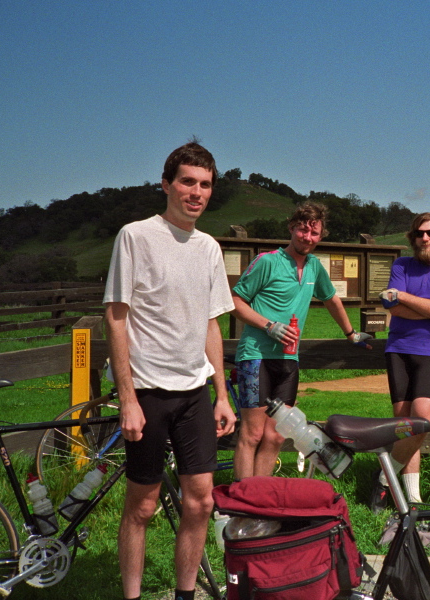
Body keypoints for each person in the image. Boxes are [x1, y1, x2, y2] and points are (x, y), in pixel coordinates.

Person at [104, 142, 236, 600]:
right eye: (187, 181)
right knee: (141, 506)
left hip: (194, 392)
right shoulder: (136, 237)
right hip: (147, 393)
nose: (196, 192)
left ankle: (185, 594)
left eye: (204, 184)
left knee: (201, 502)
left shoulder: (209, 248)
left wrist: (222, 394)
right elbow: (116, 316)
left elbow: (210, 322)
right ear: (166, 185)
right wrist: (127, 399)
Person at [230, 201, 372, 480]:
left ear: (321, 235)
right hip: (255, 356)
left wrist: (350, 334)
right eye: (302, 231)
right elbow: (234, 300)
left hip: (288, 361)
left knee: (275, 436)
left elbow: (331, 298)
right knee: (253, 433)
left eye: (314, 233)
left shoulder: (315, 267)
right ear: (291, 228)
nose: (307, 238)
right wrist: (269, 326)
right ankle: (240, 505)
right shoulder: (267, 261)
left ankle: (259, 500)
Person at [370, 213, 430, 512]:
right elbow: (396, 310)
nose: (425, 238)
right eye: (420, 234)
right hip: (399, 348)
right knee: (404, 426)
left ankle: (383, 478)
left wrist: (404, 297)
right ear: (412, 238)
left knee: (422, 419)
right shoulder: (401, 265)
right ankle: (413, 499)